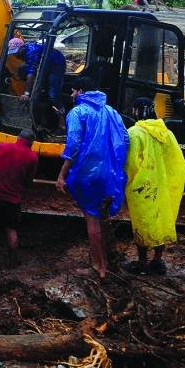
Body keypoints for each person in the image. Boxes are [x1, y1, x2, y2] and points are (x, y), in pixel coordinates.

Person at [57, 77, 129, 279]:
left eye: (72, 91)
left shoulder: (78, 112)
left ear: (80, 91)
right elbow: (124, 139)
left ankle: (99, 266)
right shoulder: (111, 111)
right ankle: (107, 261)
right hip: (110, 173)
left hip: (87, 173)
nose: (71, 95)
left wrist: (62, 175)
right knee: (102, 215)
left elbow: (73, 145)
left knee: (91, 219)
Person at [122, 97, 185, 275]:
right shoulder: (167, 133)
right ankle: (157, 260)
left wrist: (124, 182)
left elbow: (130, 163)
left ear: (136, 111)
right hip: (164, 186)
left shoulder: (134, 133)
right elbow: (178, 162)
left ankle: (142, 262)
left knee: (141, 222)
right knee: (161, 219)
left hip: (143, 187)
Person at [0, 129, 39, 267]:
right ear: (31, 143)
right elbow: (28, 181)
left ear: (17, 138)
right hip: (12, 200)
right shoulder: (32, 157)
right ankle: (12, 262)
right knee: (11, 230)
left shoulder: (2, 147)